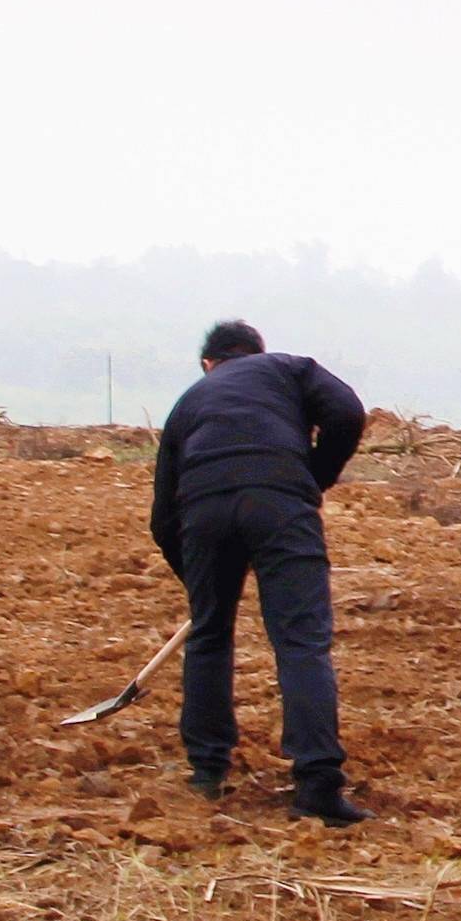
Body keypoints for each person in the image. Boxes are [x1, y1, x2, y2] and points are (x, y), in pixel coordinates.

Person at [149, 320, 371, 826]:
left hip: (203, 509)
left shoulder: (190, 400)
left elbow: (163, 518)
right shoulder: (289, 369)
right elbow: (346, 411)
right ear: (255, 354)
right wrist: (313, 477)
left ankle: (207, 772)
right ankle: (316, 783)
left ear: (209, 364)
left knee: (209, 635)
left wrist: (203, 585)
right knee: (301, 642)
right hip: (280, 503)